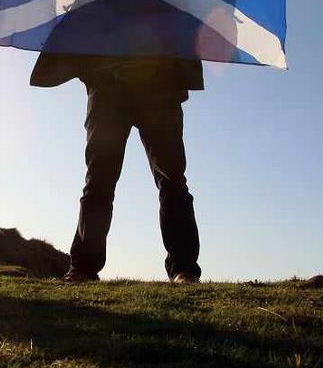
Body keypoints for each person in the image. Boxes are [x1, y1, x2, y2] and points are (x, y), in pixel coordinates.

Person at [31, 53, 203, 283]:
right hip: (107, 88)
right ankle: (83, 268)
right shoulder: (94, 16)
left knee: (171, 179)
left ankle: (184, 269)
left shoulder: (168, 15)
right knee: (99, 180)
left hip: (159, 88)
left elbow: (186, 24)